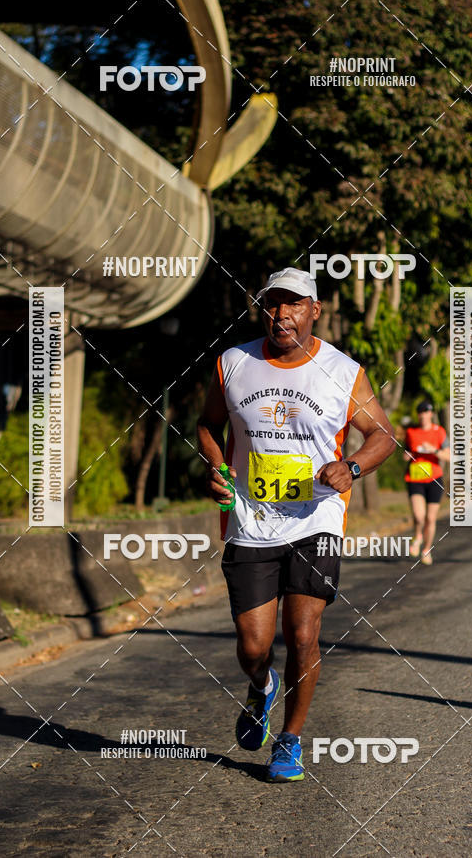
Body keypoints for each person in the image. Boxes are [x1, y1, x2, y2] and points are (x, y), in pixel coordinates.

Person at [197, 267, 396, 783]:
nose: (280, 314)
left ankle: (289, 740)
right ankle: (260, 687)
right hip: (251, 520)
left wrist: (351, 467)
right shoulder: (232, 362)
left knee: (303, 633)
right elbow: (207, 424)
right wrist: (217, 467)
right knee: (253, 646)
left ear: (315, 309)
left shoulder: (343, 371)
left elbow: (382, 435)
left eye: (292, 304)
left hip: (317, 517)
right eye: (272, 304)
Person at [403, 401, 450, 565]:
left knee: (430, 518)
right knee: (418, 515)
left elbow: (449, 456)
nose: (423, 415)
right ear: (418, 415)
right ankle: (418, 536)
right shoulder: (411, 432)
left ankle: (426, 549)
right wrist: (408, 455)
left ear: (431, 414)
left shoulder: (439, 432)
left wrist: (433, 450)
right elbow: (405, 452)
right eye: (421, 412)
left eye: (426, 412)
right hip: (415, 478)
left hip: (434, 479)